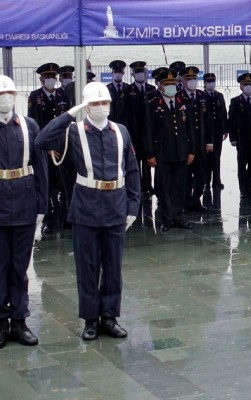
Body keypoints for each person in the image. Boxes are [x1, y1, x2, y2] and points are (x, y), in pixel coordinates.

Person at [35, 82, 140, 340]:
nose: (101, 108)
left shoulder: (121, 131)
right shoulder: (74, 131)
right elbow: (41, 140)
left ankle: (110, 317)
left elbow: (132, 170)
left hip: (116, 204)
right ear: (86, 106)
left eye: (105, 103)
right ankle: (91, 319)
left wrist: (133, 206)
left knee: (113, 266)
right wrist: (71, 113)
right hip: (86, 206)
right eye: (95, 103)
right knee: (87, 266)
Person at [0, 75, 48, 349]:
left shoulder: (29, 126)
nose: (5, 98)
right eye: (0, 93)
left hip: (24, 203)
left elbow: (41, 169)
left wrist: (41, 208)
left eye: (8, 93)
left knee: (20, 267)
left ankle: (19, 320)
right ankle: (0, 321)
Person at [145, 68, 195, 231]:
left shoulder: (183, 102)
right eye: (167, 84)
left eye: (173, 83)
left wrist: (191, 150)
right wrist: (150, 154)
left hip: (181, 151)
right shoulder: (153, 104)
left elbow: (190, 129)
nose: (171, 87)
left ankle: (178, 216)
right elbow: (147, 131)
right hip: (162, 153)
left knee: (180, 186)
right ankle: (167, 218)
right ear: (159, 86)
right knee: (164, 187)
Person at [28, 62, 68, 235]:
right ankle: (50, 219)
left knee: (64, 183)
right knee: (49, 184)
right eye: (47, 76)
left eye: (53, 76)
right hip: (46, 148)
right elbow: (35, 124)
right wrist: (48, 147)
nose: (50, 79)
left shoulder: (63, 94)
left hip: (63, 146)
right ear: (41, 78)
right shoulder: (35, 96)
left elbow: (67, 121)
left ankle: (66, 217)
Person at [177, 66, 209, 212]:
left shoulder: (203, 96)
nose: (192, 81)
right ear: (182, 81)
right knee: (186, 175)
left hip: (201, 143)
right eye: (188, 79)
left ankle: (197, 199)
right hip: (186, 144)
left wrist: (209, 142)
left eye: (194, 78)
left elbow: (209, 121)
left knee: (201, 174)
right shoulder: (178, 97)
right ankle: (185, 201)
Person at [122, 61, 155, 195]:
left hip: (148, 132)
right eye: (137, 72)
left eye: (142, 71)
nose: (140, 74)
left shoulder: (151, 89)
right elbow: (125, 113)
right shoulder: (128, 90)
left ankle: (148, 184)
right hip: (134, 132)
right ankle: (138, 185)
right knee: (136, 161)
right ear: (132, 74)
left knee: (148, 159)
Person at [229, 73, 251, 199]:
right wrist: (233, 138)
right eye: (245, 84)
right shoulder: (236, 101)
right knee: (242, 166)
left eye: (250, 84)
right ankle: (244, 190)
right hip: (242, 139)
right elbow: (231, 120)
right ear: (241, 86)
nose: (248, 86)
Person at [203, 73, 228, 190]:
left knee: (217, 156)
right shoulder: (202, 96)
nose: (211, 83)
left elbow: (224, 112)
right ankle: (206, 181)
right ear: (204, 83)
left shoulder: (219, 96)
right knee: (207, 158)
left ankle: (217, 181)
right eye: (209, 81)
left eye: (213, 81)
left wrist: (225, 129)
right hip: (206, 132)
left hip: (218, 131)